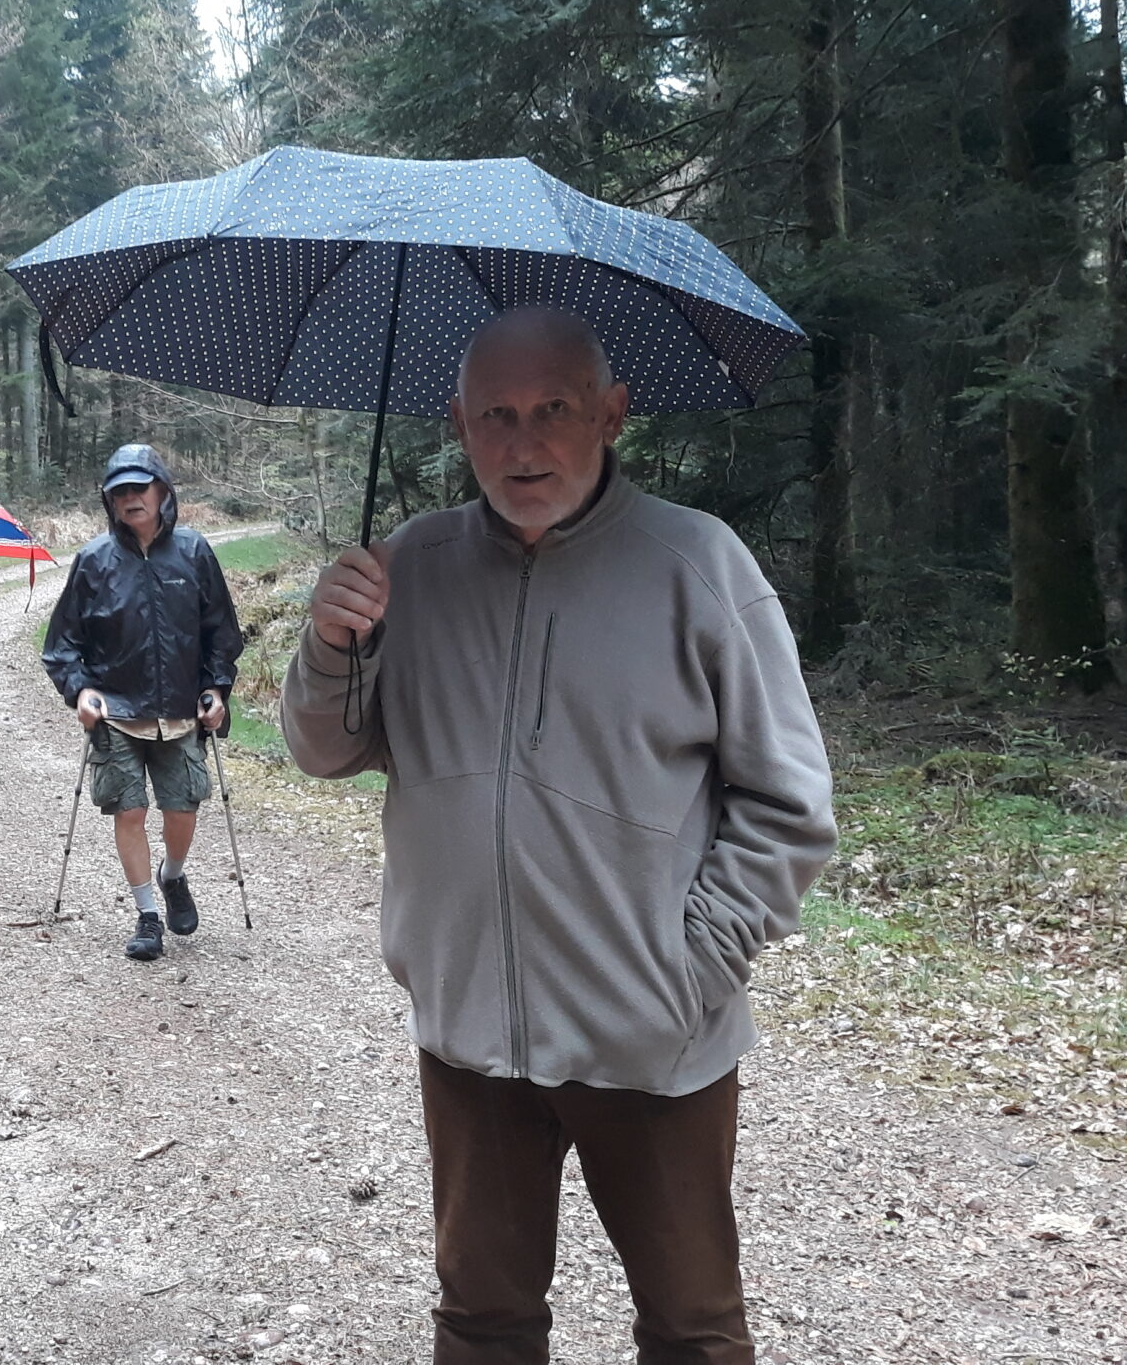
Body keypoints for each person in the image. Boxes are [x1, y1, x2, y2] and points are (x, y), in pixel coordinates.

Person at [283, 305, 836, 1365]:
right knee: (481, 1322)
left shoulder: (697, 563)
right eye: (495, 414)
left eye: (554, 410)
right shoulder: (410, 565)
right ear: (458, 423)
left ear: (612, 414)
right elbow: (324, 750)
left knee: (692, 1329)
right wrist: (332, 642)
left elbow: (789, 802)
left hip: (653, 1039)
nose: (523, 443)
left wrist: (686, 969)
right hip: (467, 1035)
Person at [42, 443, 242, 963]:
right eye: (120, 492)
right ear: (109, 501)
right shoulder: (94, 560)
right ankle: (147, 914)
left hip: (180, 711)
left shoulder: (194, 552)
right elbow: (62, 645)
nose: (130, 498)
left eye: (139, 488)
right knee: (128, 810)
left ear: (162, 492)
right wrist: (81, 690)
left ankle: (172, 875)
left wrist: (217, 688)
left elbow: (221, 633)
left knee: (183, 809)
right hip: (117, 713)